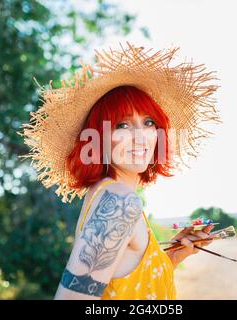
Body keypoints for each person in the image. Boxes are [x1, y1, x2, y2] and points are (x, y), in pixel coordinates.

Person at [19, 42, 221, 300]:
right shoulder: (120, 202)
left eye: (148, 122)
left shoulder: (111, 195)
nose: (140, 137)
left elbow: (131, 284)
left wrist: (172, 256)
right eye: (122, 125)